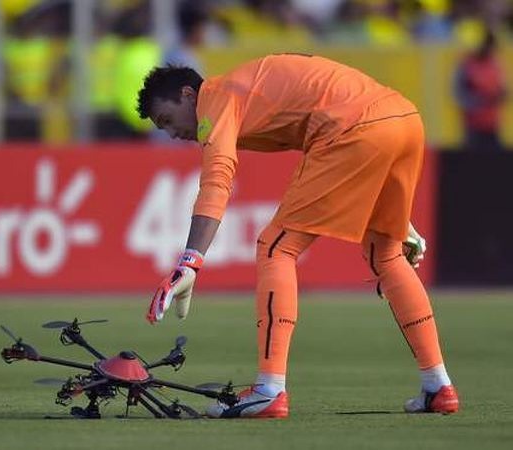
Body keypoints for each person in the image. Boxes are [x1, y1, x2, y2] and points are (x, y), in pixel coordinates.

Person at [137, 54, 459, 419]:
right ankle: (438, 385)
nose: (173, 133)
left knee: (275, 247)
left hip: (355, 127)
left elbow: (217, 178)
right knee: (385, 253)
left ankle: (269, 390)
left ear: (188, 94)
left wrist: (190, 261)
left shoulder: (216, 97)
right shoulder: (244, 92)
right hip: (403, 120)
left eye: (166, 119)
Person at [453, 29, 507, 151]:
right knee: (473, 159)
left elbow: (504, 90)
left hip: (493, 124)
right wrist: (480, 101)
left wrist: (499, 97)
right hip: (473, 125)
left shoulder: (495, 65)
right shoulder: (467, 66)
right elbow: (459, 94)